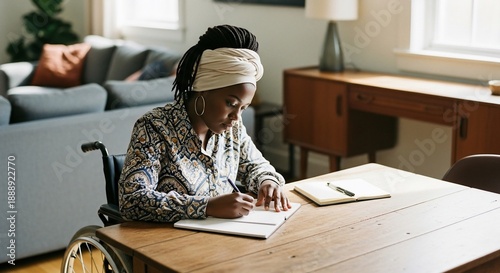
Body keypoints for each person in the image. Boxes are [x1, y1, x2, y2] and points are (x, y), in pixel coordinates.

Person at [118, 25, 292, 222]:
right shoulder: (154, 127)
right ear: (204, 90)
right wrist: (207, 206)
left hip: (223, 239)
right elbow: (132, 200)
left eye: (243, 108)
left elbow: (255, 165)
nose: (236, 116)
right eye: (230, 104)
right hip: (168, 242)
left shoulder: (232, 127)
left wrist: (267, 181)